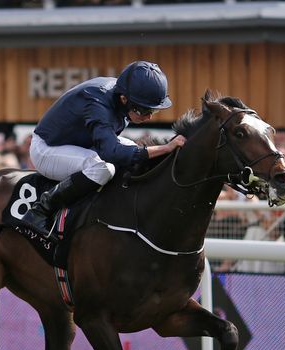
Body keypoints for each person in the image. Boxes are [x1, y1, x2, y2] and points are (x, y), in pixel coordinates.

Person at [21, 60, 186, 236]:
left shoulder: (122, 94)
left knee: (132, 147)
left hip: (79, 144)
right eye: (144, 111)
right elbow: (110, 152)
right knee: (102, 168)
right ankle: (41, 210)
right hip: (47, 149)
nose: (148, 118)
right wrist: (165, 148)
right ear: (124, 99)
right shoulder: (97, 102)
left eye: (152, 111)